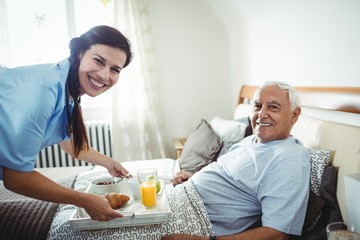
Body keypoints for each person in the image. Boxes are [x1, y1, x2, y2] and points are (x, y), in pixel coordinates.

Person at [0, 25, 133, 221]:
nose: (105, 75)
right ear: (79, 53)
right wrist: (84, 200)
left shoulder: (68, 88)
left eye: (115, 69)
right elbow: (16, 178)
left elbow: (69, 144)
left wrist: (109, 163)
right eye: (98, 60)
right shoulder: (45, 90)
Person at [163, 81, 311, 240]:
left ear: (294, 115)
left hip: (193, 217)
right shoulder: (251, 140)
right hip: (181, 194)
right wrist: (193, 179)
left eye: (273, 107)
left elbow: (276, 233)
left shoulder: (288, 157)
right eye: (258, 106)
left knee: (132, 223)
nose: (261, 114)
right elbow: (229, 181)